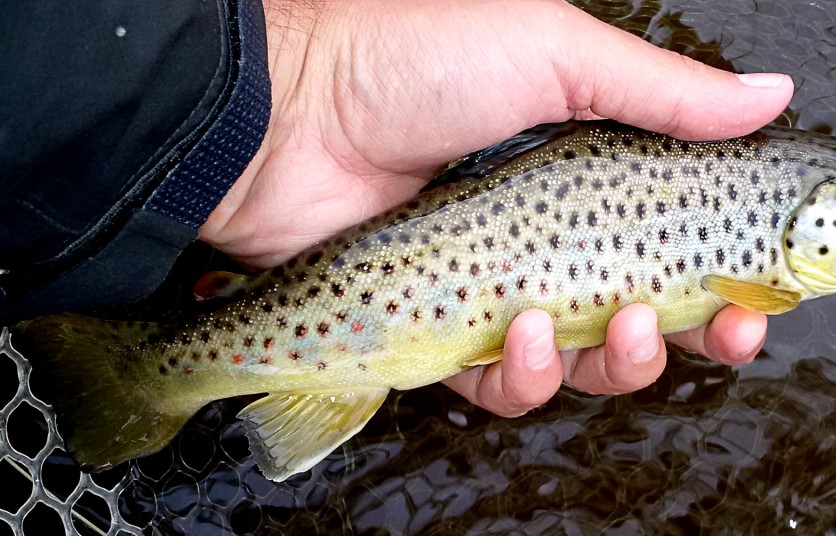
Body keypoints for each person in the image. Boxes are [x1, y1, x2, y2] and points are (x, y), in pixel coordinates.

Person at [0, 0, 792, 418]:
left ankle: (158, 371)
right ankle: (149, 375)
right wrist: (290, 100)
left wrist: (277, 104)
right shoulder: (763, 276)